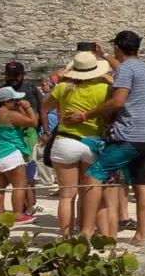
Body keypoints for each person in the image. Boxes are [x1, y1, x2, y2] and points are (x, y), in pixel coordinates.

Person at [67, 32, 145, 247]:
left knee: (93, 176)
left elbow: (118, 101)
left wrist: (85, 115)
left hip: (130, 135)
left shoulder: (126, 70)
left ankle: (86, 232)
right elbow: (123, 68)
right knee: (142, 184)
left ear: (119, 47)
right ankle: (140, 236)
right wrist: (105, 55)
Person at [42, 50, 111, 237]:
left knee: (66, 195)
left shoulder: (63, 88)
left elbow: (44, 106)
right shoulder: (103, 90)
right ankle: (85, 232)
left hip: (66, 140)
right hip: (92, 142)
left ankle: (66, 237)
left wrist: (48, 130)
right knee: (88, 192)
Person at [0, 86, 39, 223]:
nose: (17, 102)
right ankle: (18, 215)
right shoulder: (10, 114)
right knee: (20, 184)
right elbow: (33, 122)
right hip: (9, 153)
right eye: (14, 100)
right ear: (6, 102)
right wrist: (28, 107)